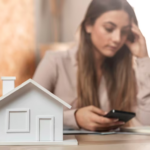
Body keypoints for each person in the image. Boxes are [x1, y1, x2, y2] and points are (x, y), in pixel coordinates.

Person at [33, 0, 150, 131]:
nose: (117, 38)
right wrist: (74, 118)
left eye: (124, 32)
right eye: (109, 29)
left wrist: (143, 58)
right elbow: (29, 115)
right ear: (88, 25)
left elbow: (146, 123)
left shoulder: (125, 73)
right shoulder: (54, 62)